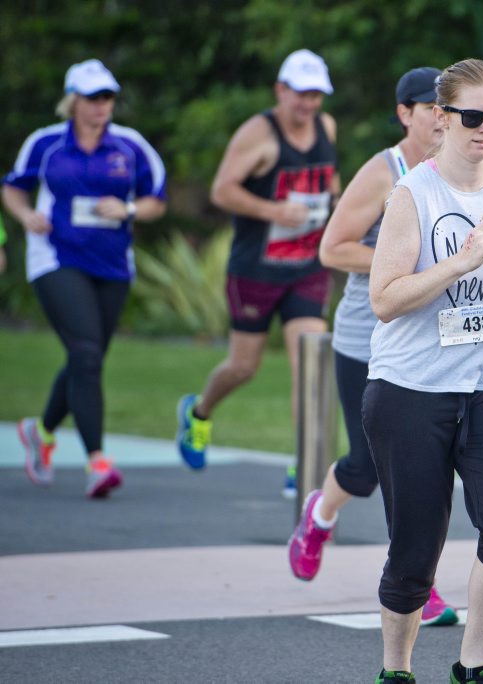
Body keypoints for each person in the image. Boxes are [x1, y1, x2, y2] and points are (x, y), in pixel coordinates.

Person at [364, 58, 483, 684]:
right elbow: (384, 300)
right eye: (473, 116)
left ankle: (477, 665)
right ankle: (396, 671)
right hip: (410, 391)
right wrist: (461, 263)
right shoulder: (414, 193)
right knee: (415, 553)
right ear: (440, 118)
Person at [287, 66, 458, 627]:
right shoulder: (385, 172)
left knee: (422, 463)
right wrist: (405, 264)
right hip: (370, 339)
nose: (440, 115)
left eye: (446, 105)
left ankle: (416, 582)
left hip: (435, 339)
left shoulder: (465, 169)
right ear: (405, 113)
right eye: (428, 106)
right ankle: (320, 513)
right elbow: (332, 249)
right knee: (367, 466)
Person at [175, 49, 340, 496]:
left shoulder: (326, 127)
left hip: (307, 267)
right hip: (256, 270)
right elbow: (222, 190)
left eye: (315, 95)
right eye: (300, 94)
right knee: (243, 366)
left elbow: (329, 179)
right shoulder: (257, 134)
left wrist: (336, 203)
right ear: (280, 91)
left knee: (309, 365)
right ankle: (199, 411)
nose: (308, 104)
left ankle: (303, 463)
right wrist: (273, 210)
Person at [3, 59, 167, 497]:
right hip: (56, 257)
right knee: (86, 353)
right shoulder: (45, 143)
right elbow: (13, 187)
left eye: (107, 97)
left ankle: (41, 431)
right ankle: (97, 461)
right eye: (93, 98)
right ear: (73, 100)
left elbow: (157, 200)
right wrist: (25, 216)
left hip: (113, 264)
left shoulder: (130, 145)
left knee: (86, 357)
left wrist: (129, 209)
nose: (101, 106)